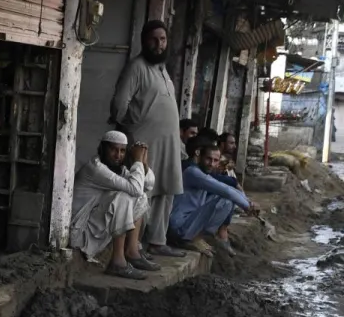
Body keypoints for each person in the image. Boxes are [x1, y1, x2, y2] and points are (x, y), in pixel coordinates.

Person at [111, 20, 189, 260]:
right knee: (143, 194)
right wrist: (129, 135)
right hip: (145, 142)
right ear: (144, 41)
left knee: (166, 192)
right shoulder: (136, 67)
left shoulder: (162, 68)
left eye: (163, 39)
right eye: (154, 39)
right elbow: (118, 105)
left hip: (169, 144)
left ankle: (158, 241)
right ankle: (135, 248)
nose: (158, 44)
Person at [69, 131, 156, 279]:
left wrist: (143, 162)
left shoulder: (119, 169)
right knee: (124, 196)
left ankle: (132, 251)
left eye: (122, 151)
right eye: (113, 150)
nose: (118, 155)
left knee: (140, 197)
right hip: (79, 233)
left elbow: (147, 186)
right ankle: (118, 262)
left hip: (93, 228)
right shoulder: (96, 169)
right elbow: (134, 189)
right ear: (103, 149)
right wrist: (137, 162)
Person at [170, 137, 257, 256]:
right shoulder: (193, 172)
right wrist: (247, 207)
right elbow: (226, 190)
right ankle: (190, 239)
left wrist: (248, 201)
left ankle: (196, 237)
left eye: (216, 160)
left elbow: (229, 188)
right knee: (226, 199)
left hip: (188, 222)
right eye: (208, 159)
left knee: (226, 199)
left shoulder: (202, 172)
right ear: (199, 156)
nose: (212, 164)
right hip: (178, 227)